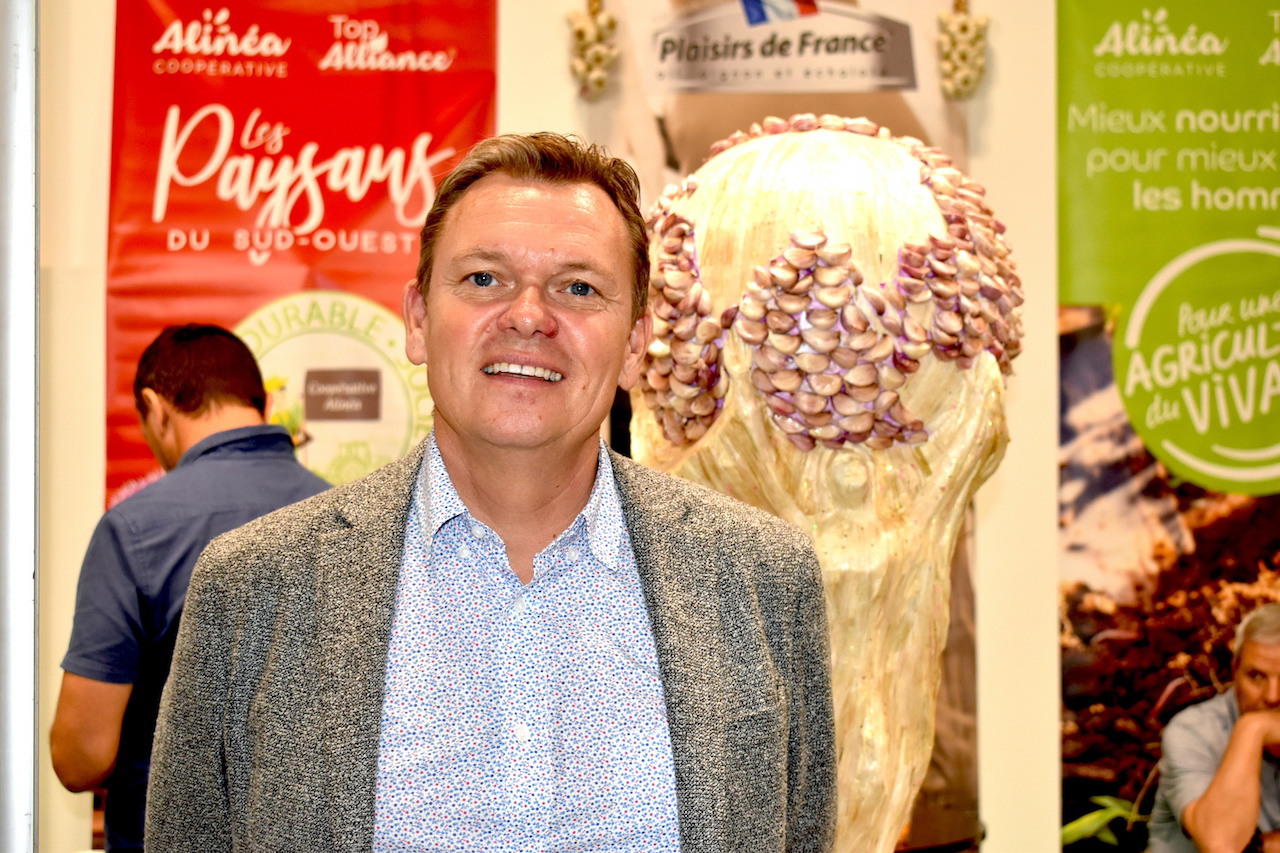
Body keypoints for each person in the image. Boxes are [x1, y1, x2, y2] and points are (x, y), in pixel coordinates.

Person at [146, 133, 836, 851]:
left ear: (635, 344)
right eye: (484, 278)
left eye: (578, 287)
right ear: (418, 320)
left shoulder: (763, 579)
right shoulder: (252, 587)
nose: (529, 315)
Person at [49, 324, 330, 852]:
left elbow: (81, 757)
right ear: (263, 404)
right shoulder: (347, 517)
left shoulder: (134, 529)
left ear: (156, 409)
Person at [1150, 603, 1280, 853]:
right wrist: (1253, 729)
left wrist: (1259, 847)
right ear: (1234, 672)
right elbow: (1222, 844)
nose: (1272, 696)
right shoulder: (1192, 731)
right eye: (1256, 676)